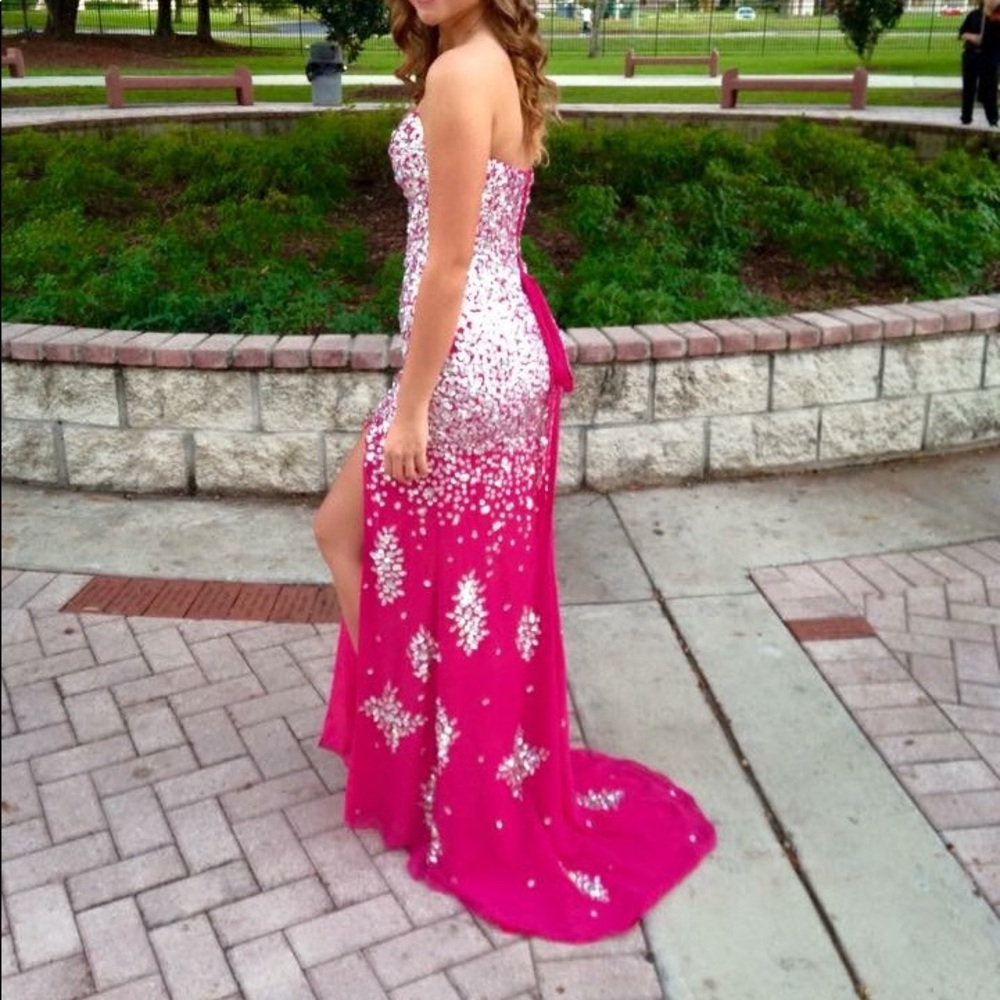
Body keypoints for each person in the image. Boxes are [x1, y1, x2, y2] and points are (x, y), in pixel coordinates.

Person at [312, 0, 715, 942]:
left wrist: (409, 407)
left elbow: (449, 262)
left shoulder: (460, 73)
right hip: (500, 355)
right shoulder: (488, 58)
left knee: (351, 537)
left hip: (462, 365)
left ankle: (418, 768)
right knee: (473, 593)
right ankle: (439, 764)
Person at [959, 0, 999, 126]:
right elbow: (962, 33)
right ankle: (966, 118)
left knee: (990, 88)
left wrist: (990, 18)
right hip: (971, 54)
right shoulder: (974, 15)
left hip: (989, 56)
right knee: (968, 87)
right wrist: (972, 37)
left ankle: (992, 119)